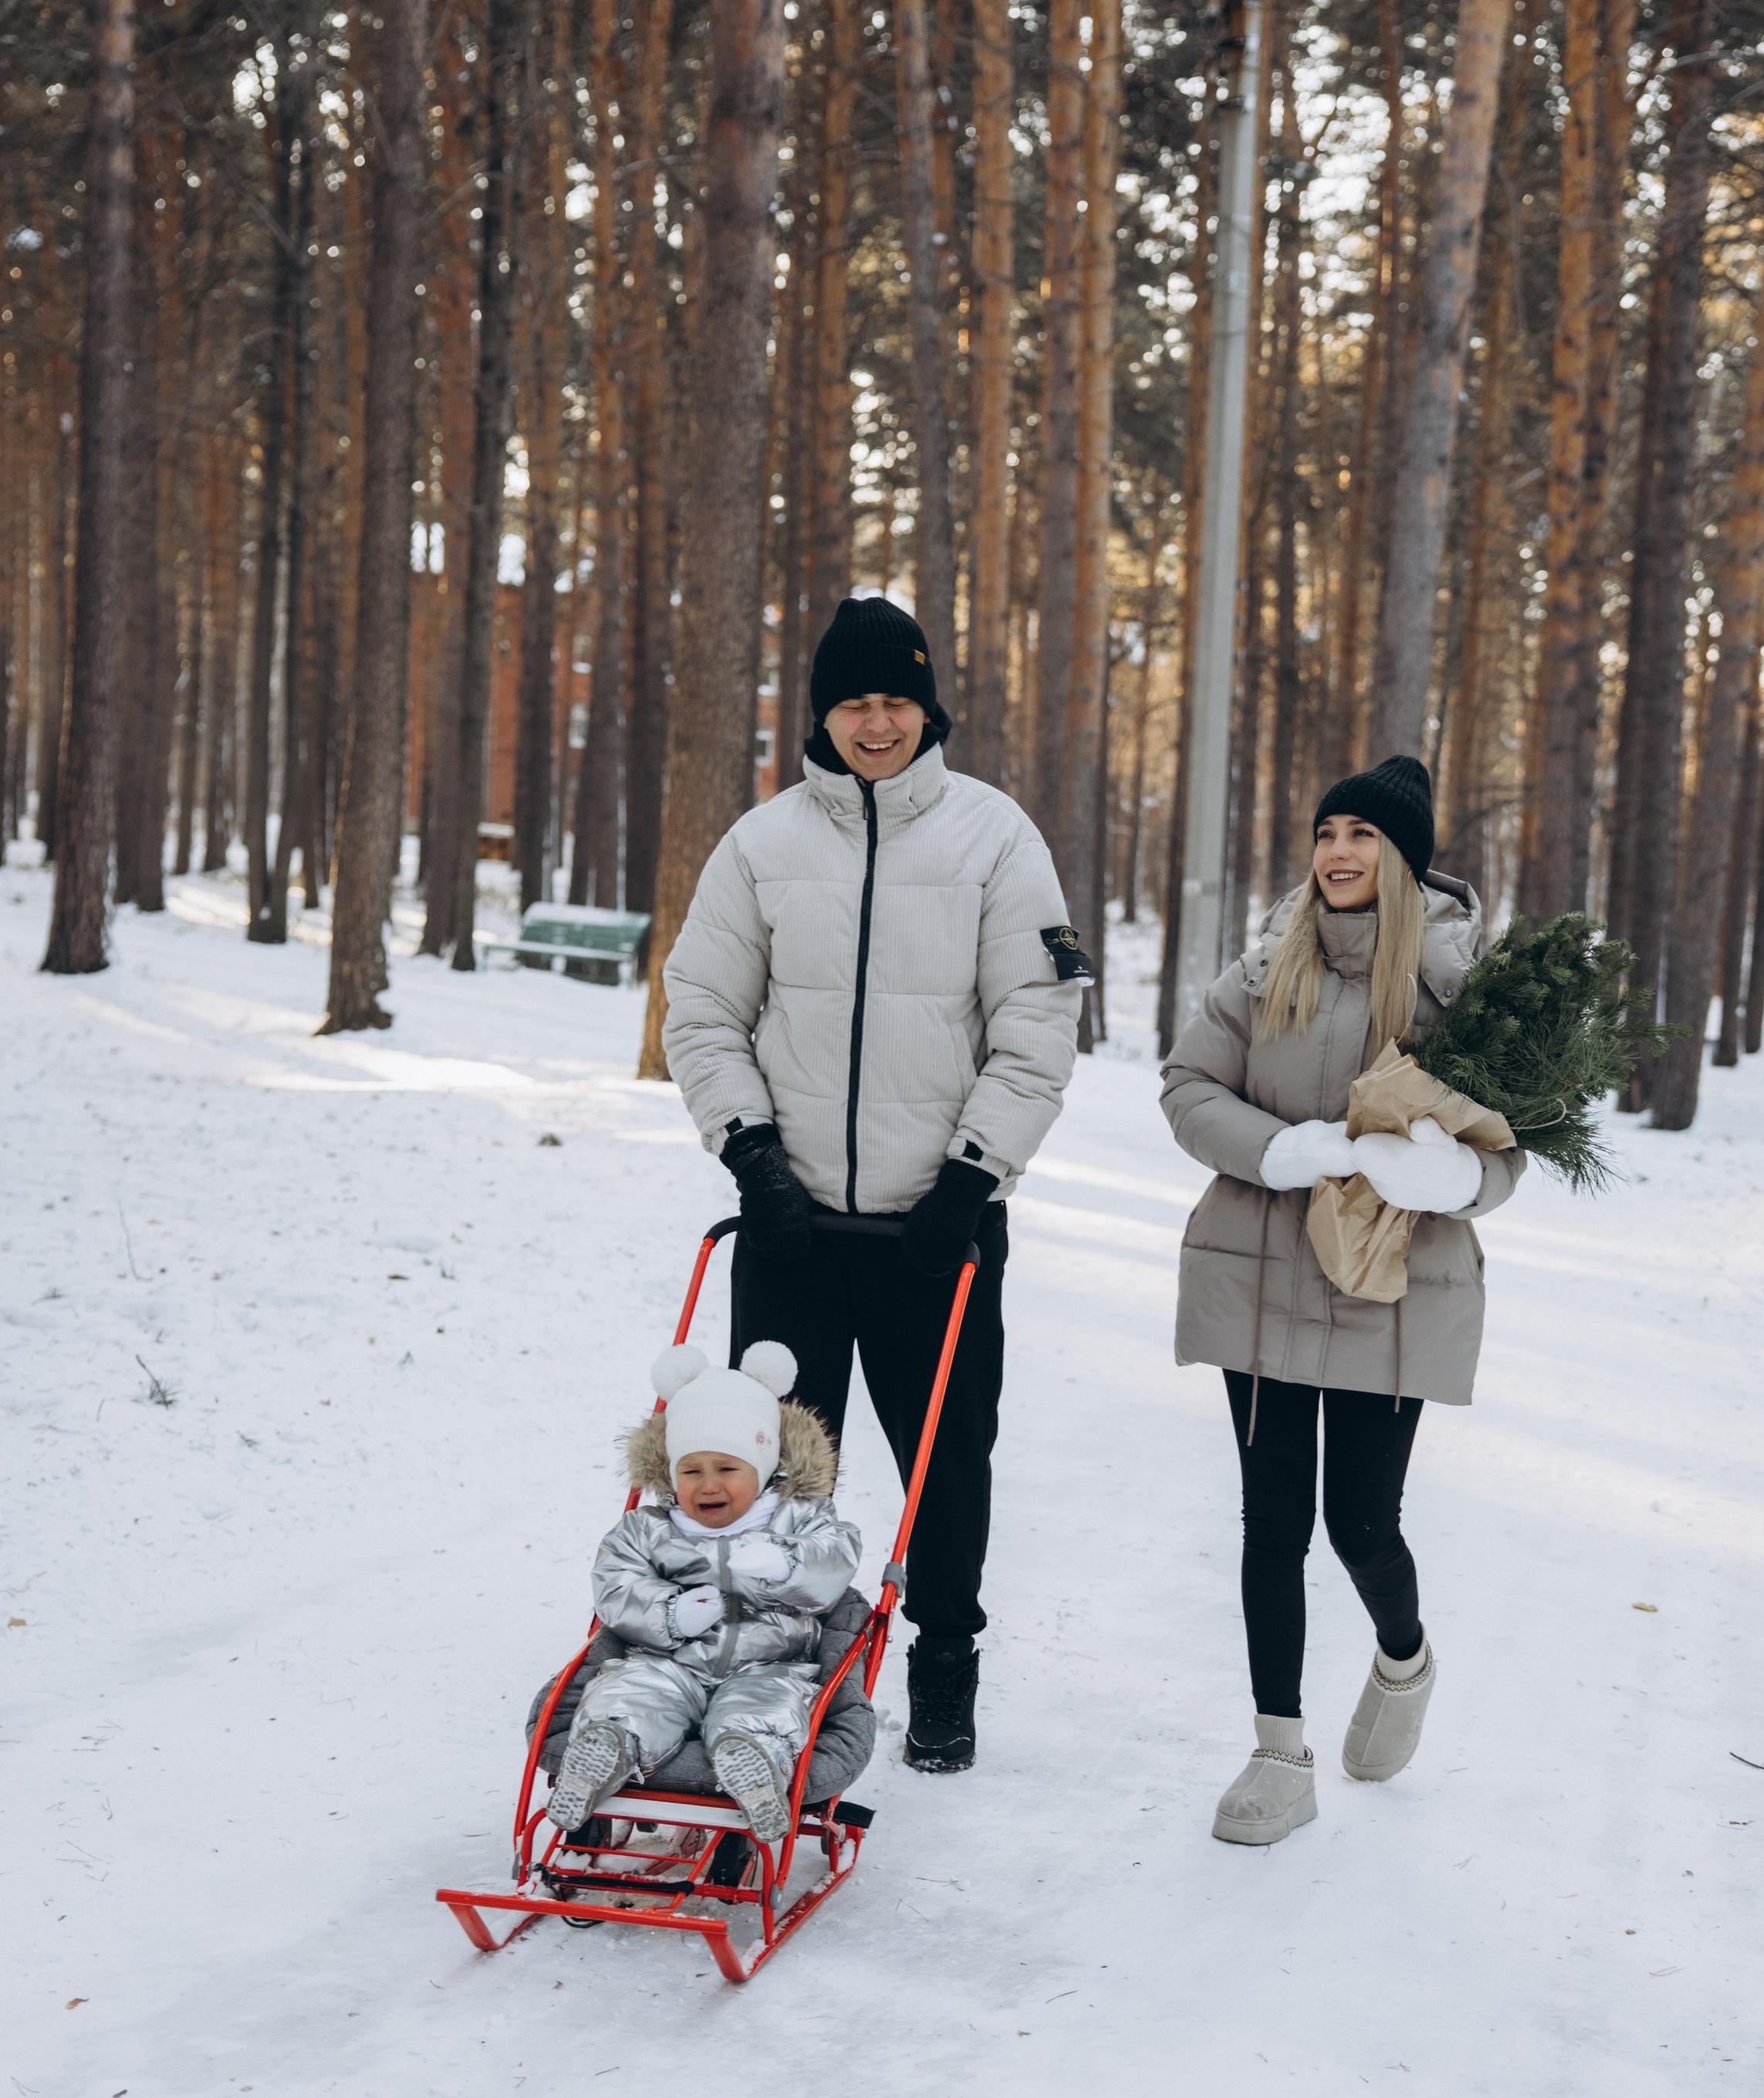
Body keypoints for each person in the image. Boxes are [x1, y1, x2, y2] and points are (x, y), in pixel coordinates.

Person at [661, 594, 1089, 1775]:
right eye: (854, 702)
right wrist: (751, 1152)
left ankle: (943, 1668)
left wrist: (970, 1180)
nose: (877, 721)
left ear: (927, 707)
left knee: (945, 1466)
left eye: (896, 700)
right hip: (795, 1232)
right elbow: (700, 1009)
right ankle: (773, 1671)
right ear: (822, 715)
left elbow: (1038, 1026)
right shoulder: (763, 845)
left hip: (933, 1235)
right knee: (779, 1471)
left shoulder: (995, 839)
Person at [1160, 755, 1526, 1846]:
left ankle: (1402, 1662)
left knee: (1360, 1524)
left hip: (1393, 1286)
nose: (1338, 851)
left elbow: (1516, 1145)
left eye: (1363, 834)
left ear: (1404, 858)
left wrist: (1455, 1177)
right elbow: (1187, 1087)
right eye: (1327, 832)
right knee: (1271, 1526)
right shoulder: (1269, 962)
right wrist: (1286, 1149)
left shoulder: (1464, 986)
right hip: (1263, 1274)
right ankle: (1279, 1752)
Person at [547, 1340, 862, 1845]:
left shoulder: (799, 1519)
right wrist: (670, 1614)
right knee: (631, 1695)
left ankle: (754, 1765)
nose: (708, 1486)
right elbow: (615, 1586)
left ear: (761, 1468)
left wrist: (785, 1562)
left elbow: (837, 1560)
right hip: (666, 1660)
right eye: (690, 1471)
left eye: (728, 1469)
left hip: (769, 1663)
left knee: (763, 1711)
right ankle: (604, 1753)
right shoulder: (648, 1529)